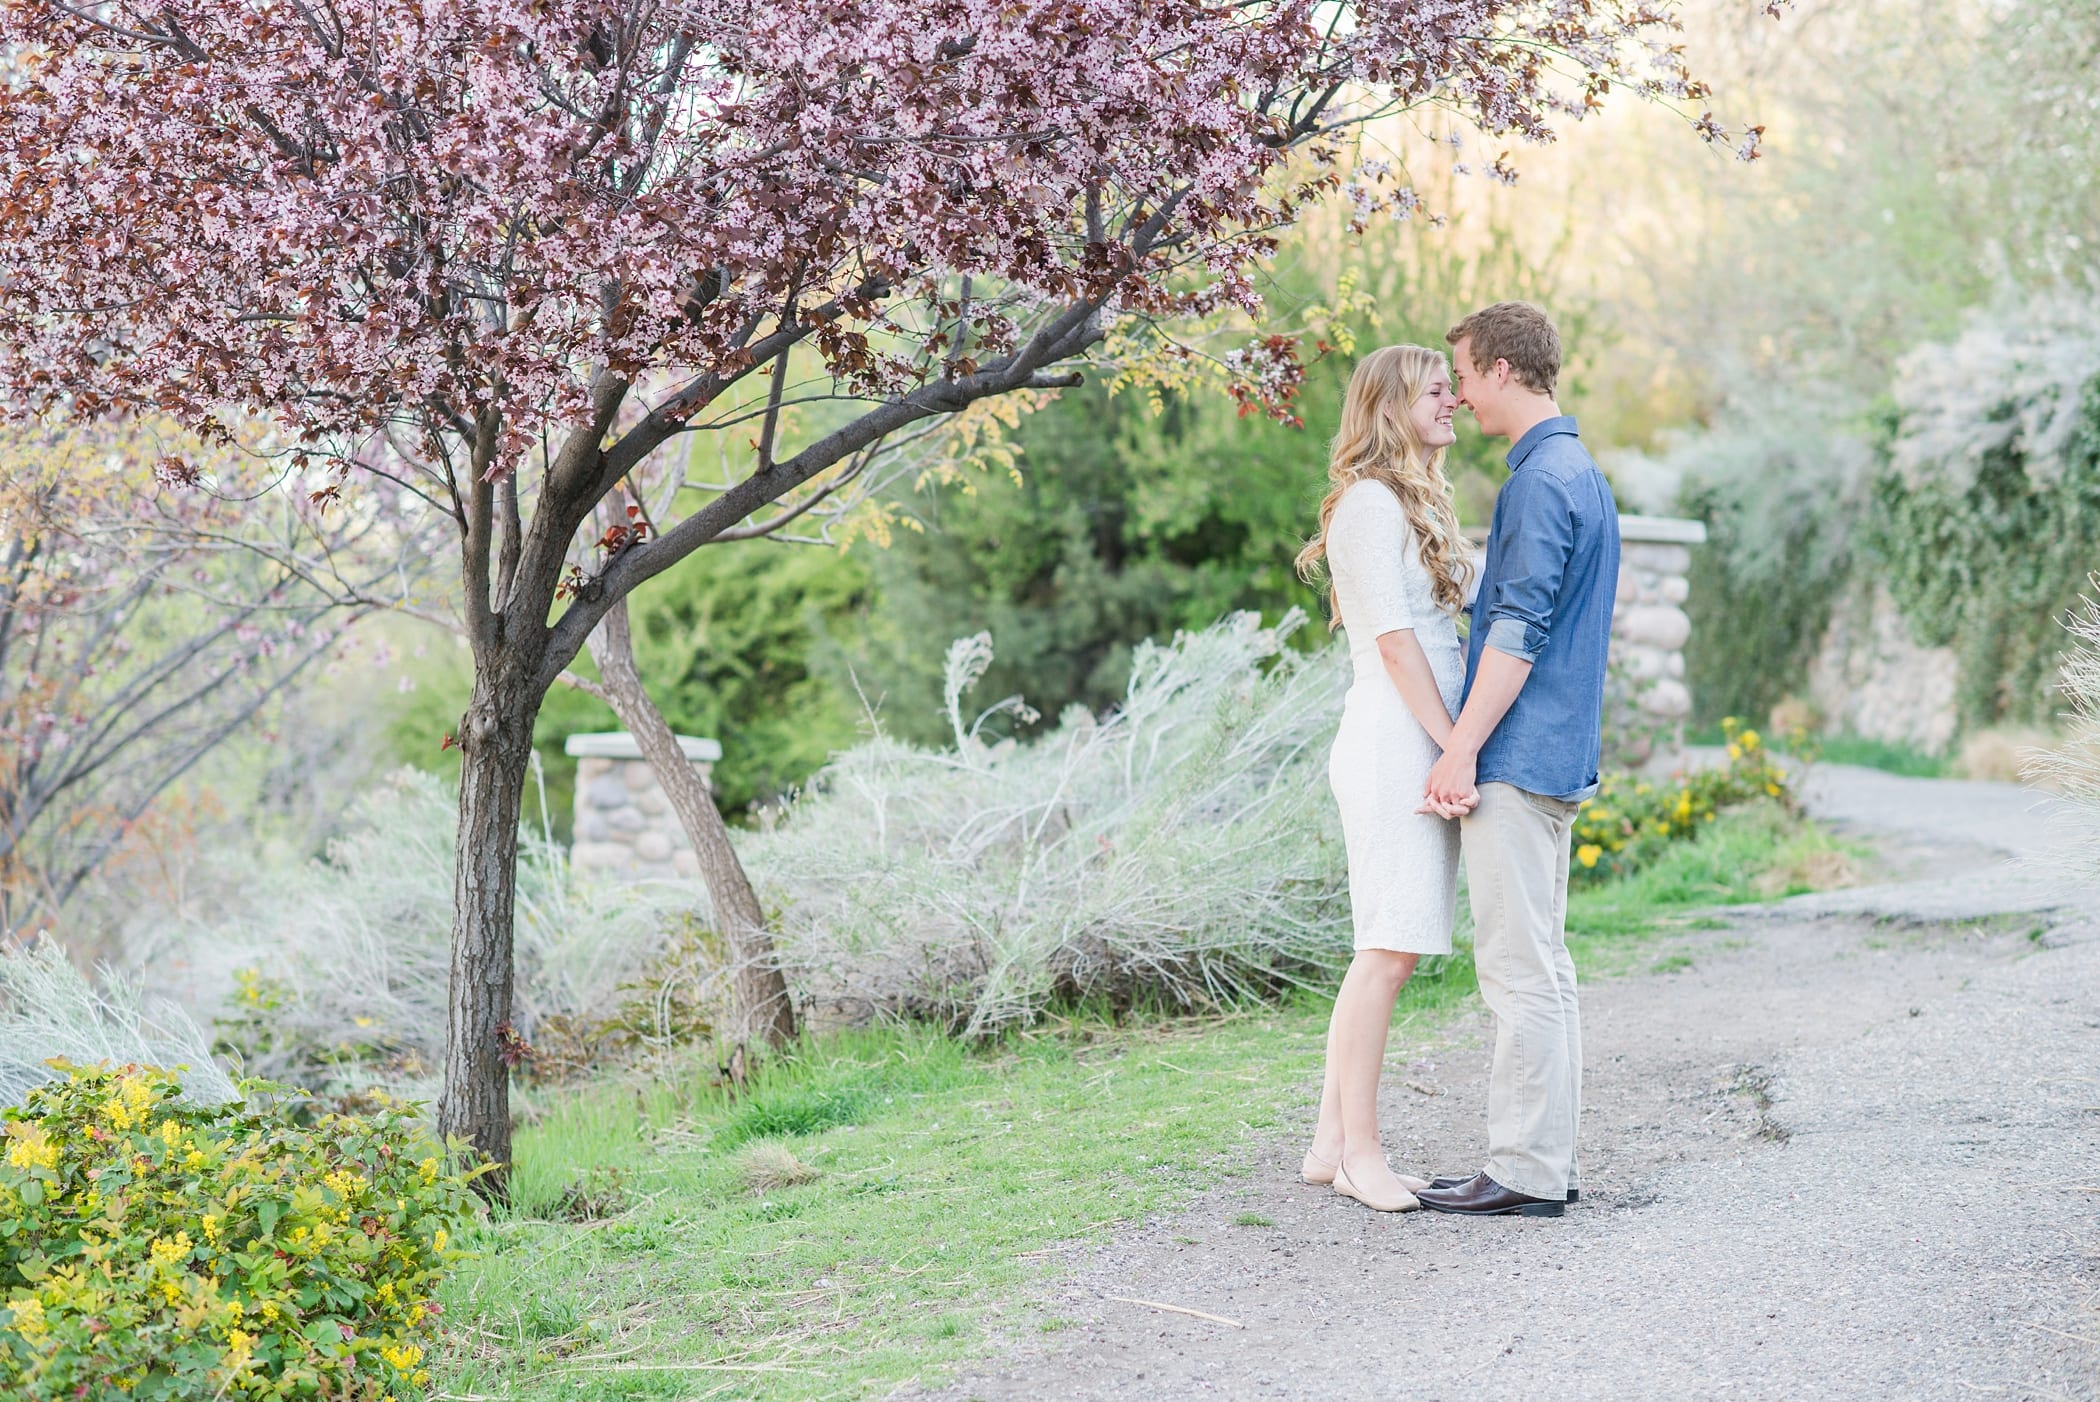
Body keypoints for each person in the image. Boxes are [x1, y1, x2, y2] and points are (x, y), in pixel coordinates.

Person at [1413, 301, 1620, 1219]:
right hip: (1556, 756)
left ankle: (1526, 1171)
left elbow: (1519, 630)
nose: (1457, 394)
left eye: (1462, 374)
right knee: (1547, 966)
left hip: (1519, 757)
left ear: (1501, 369)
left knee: (1518, 971)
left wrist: (1460, 748)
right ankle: (1548, 1162)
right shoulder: (1580, 470)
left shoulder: (1541, 480)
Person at [1295, 344, 1475, 1214]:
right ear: (1389, 405)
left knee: (1388, 947)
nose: (1454, 402)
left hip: (1420, 737)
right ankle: (1362, 1151)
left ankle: (1330, 1144)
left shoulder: (1419, 501)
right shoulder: (1367, 505)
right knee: (1387, 951)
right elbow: (1399, 646)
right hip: (1392, 741)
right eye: (1436, 391)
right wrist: (1453, 746)